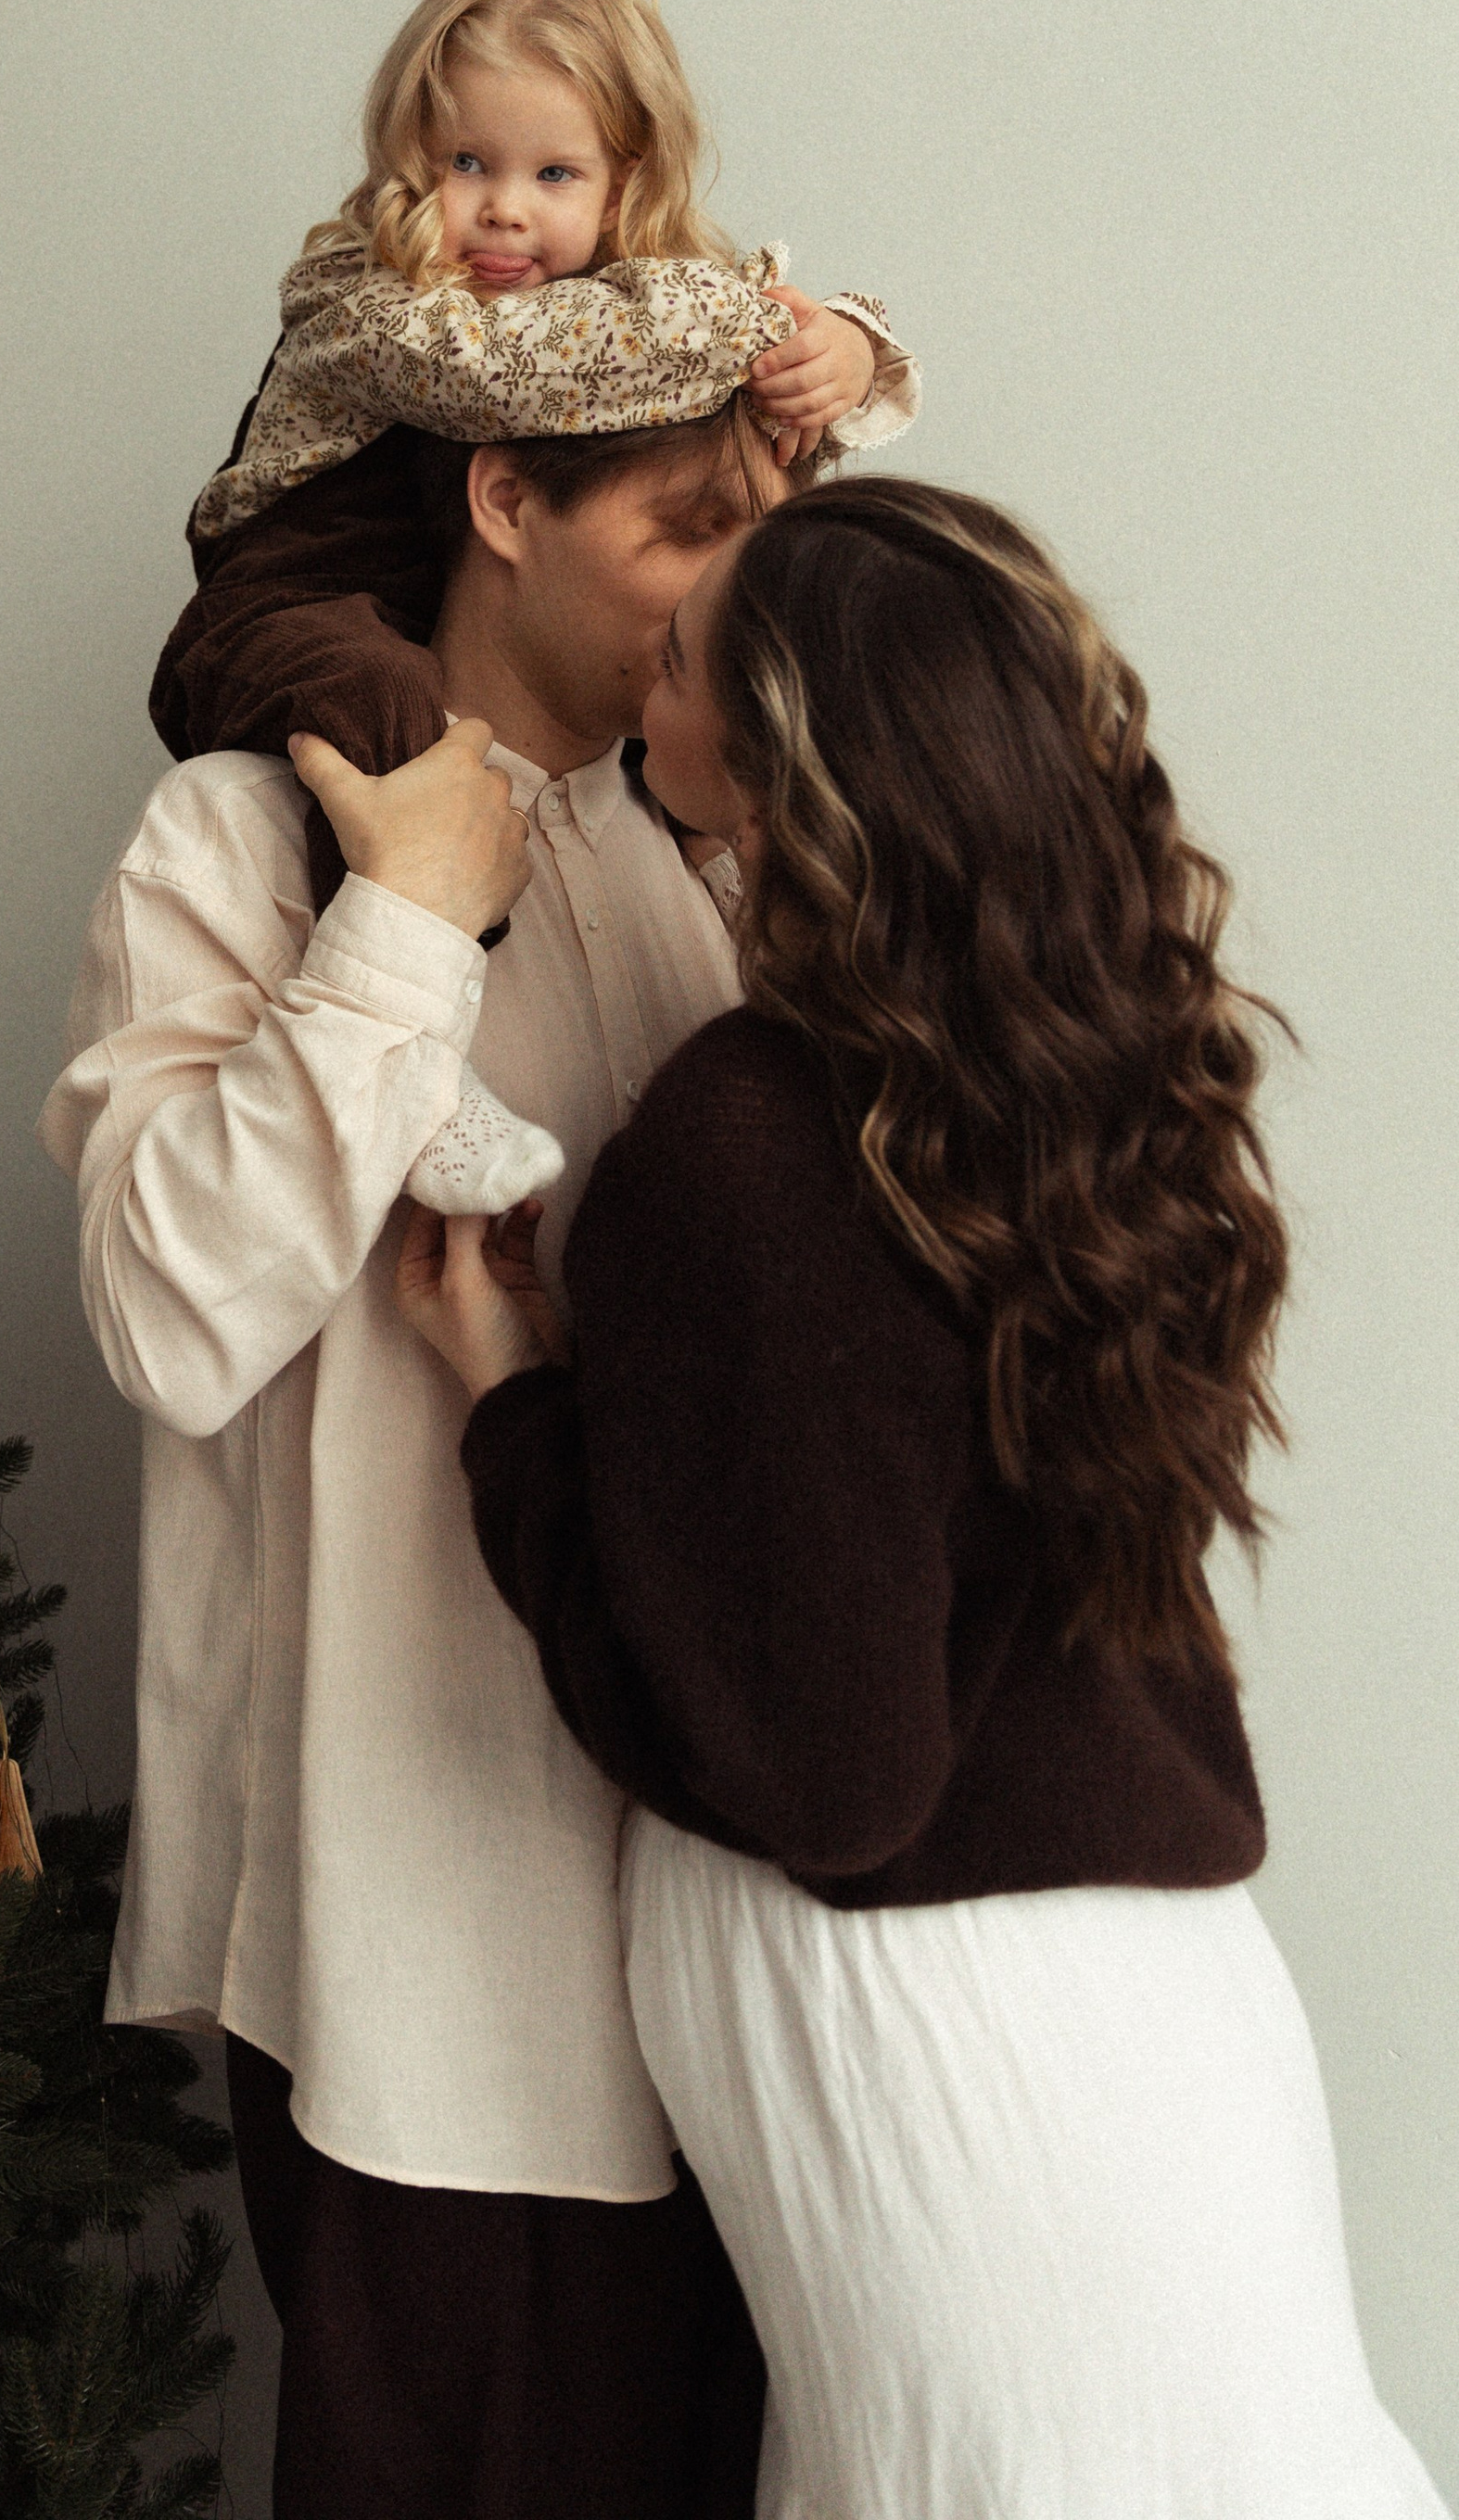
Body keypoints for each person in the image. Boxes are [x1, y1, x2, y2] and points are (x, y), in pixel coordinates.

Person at [388, 475, 1449, 2520]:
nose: (646, 667)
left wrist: (513, 1412)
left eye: (685, 654)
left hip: (928, 2030)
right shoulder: (1075, 1081)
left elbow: (824, 1778)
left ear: (774, 765)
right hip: (1168, 2005)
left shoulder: (745, 1137)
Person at [41, 393, 807, 2520]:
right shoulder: (231, 841)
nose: (732, 594)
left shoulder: (722, 850)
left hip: (759, 1953)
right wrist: (399, 921)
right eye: (683, 529)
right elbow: (166, 1318)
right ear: (502, 500)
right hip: (429, 1971)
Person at [151, 0, 920, 1220]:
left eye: (554, 172)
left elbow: (743, 432)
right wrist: (755, 316)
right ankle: (425, 1060)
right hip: (300, 583)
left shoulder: (610, 315)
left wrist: (841, 349)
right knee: (388, 724)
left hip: (431, 592)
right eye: (467, 164)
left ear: (623, 187)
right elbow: (501, 371)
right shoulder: (371, 295)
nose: (505, 208)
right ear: (409, 162)